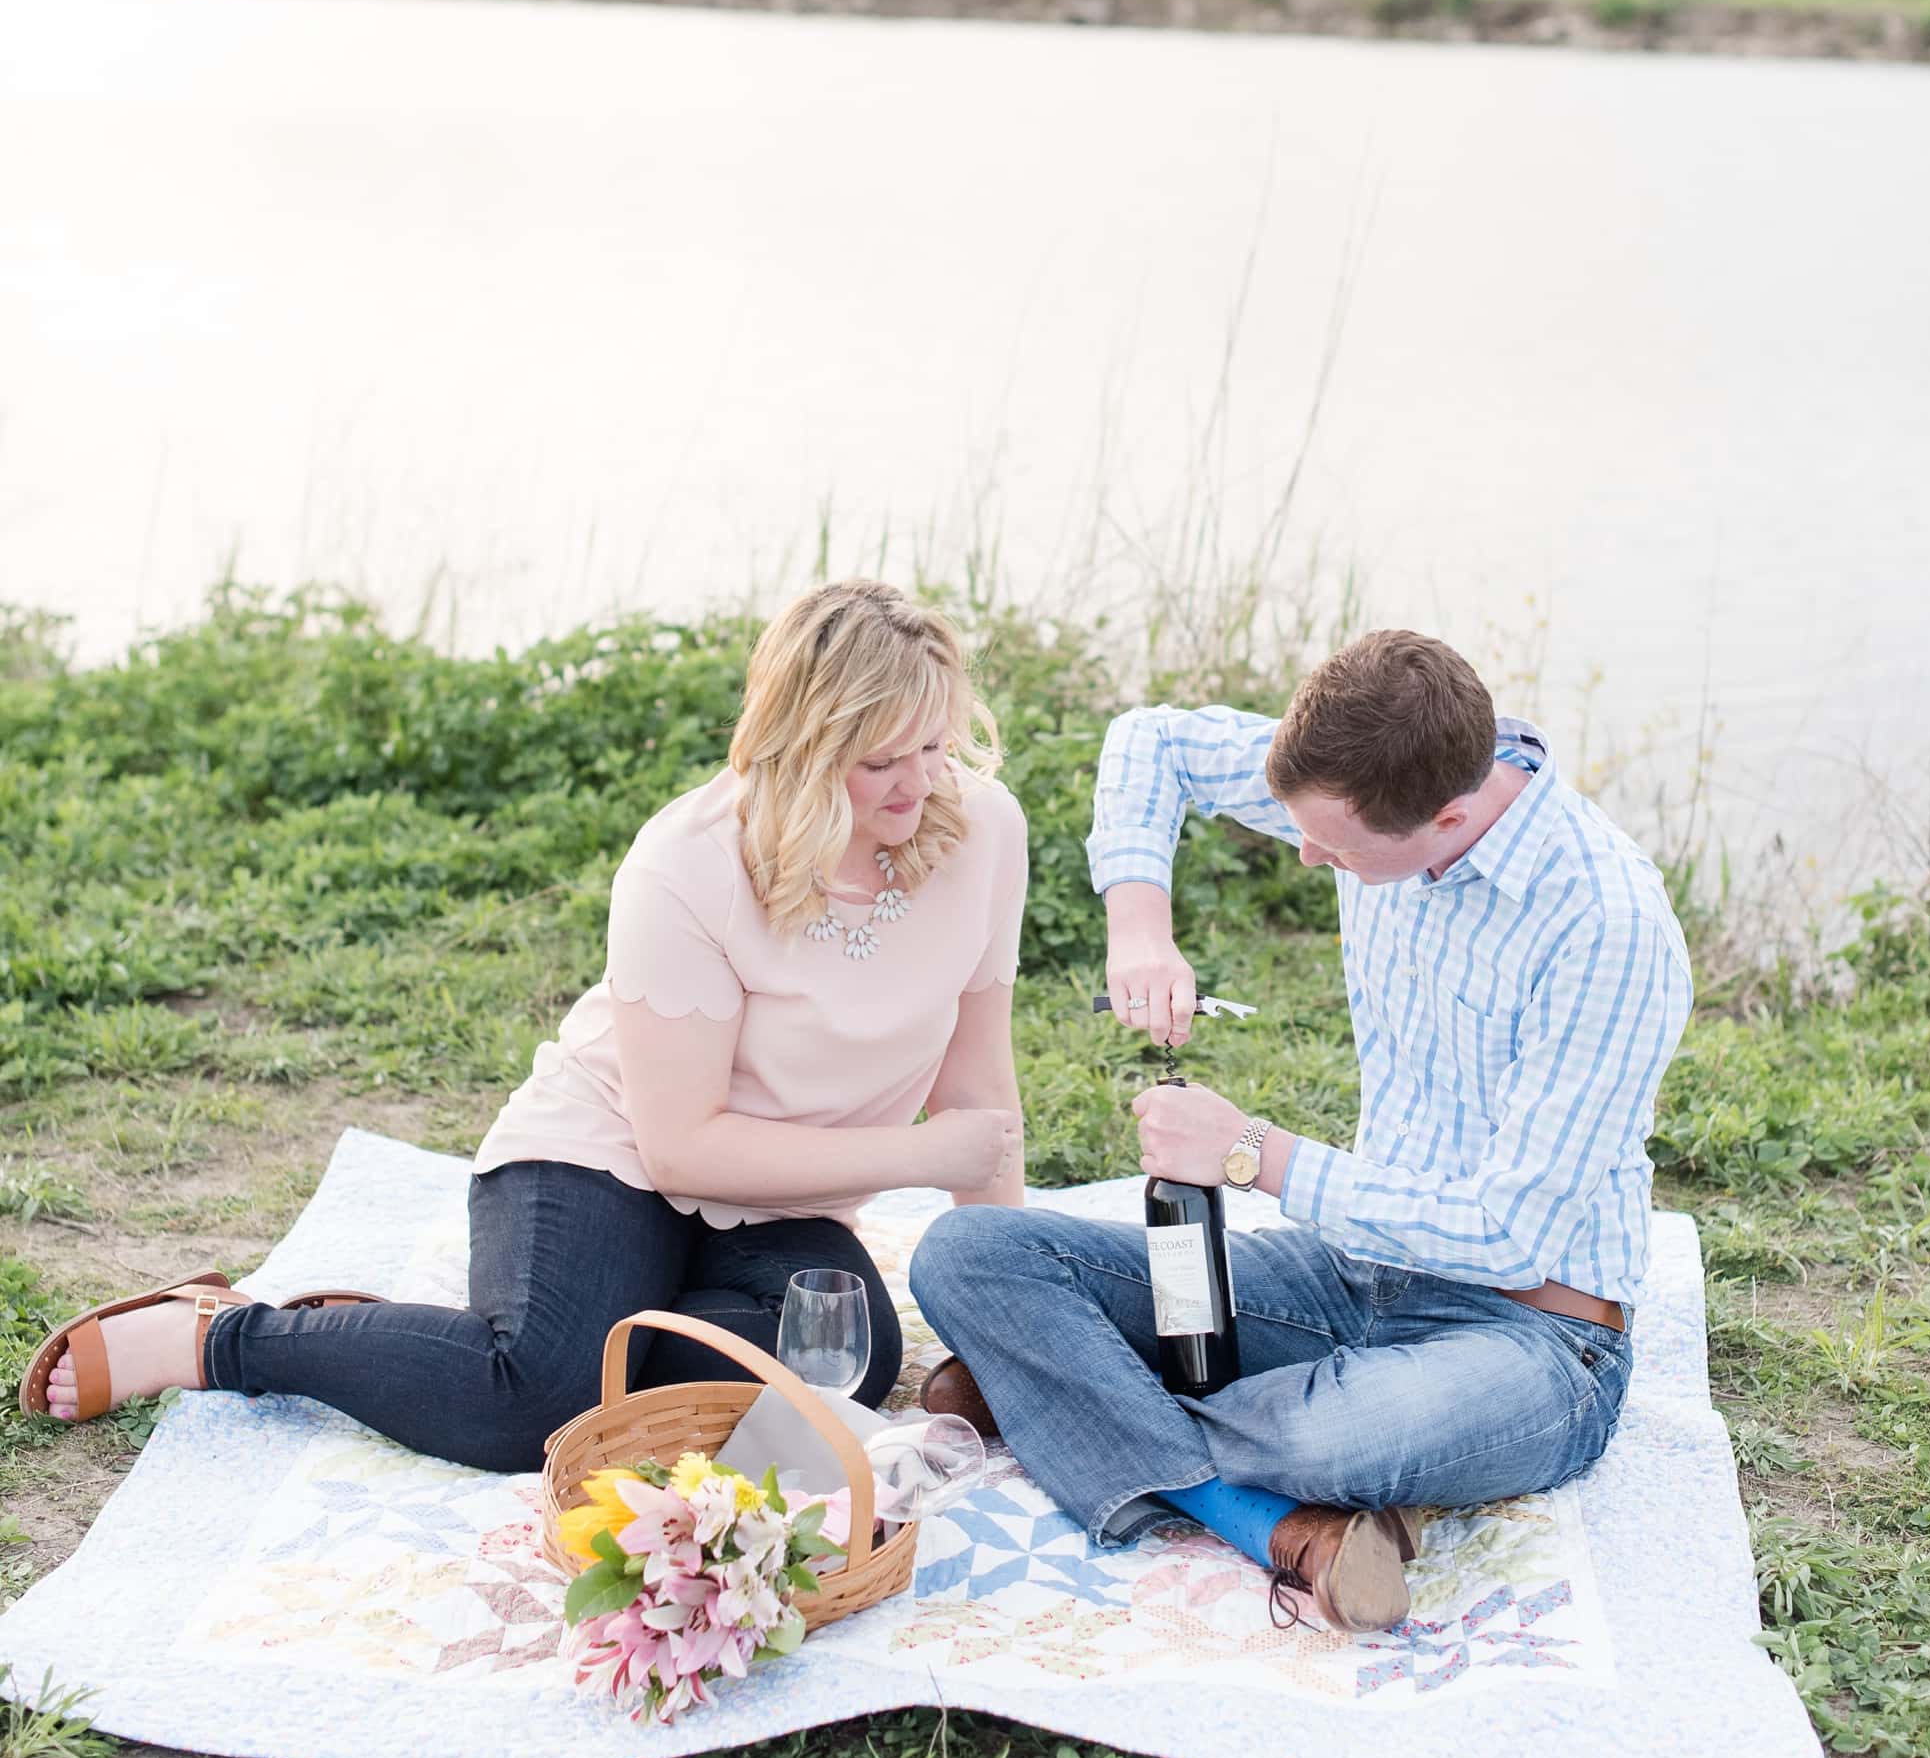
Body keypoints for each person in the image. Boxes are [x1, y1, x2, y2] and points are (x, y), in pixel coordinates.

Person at [23, 581, 1028, 1467]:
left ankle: (461, 1345)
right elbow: (679, 1146)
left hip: (773, 1200)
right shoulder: (686, 864)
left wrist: (996, 1340)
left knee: (840, 1361)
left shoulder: (982, 831)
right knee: (539, 1401)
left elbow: (978, 1091)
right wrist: (909, 1155)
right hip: (611, 1155)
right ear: (801, 749)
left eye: (934, 744)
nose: (920, 781)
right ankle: (220, 1335)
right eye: (879, 759)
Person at [912, 628, 1691, 1634]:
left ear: (1449, 816)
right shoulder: (1369, 771)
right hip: (1352, 1274)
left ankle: (1082, 1411)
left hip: (1533, 1332)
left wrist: (1250, 1152)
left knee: (1335, 1433)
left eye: (1335, 847)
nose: (1306, 853)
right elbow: (1151, 742)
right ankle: (1242, 1490)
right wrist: (1139, 921)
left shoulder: (1605, 928)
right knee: (970, 1254)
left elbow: (1508, 1233)